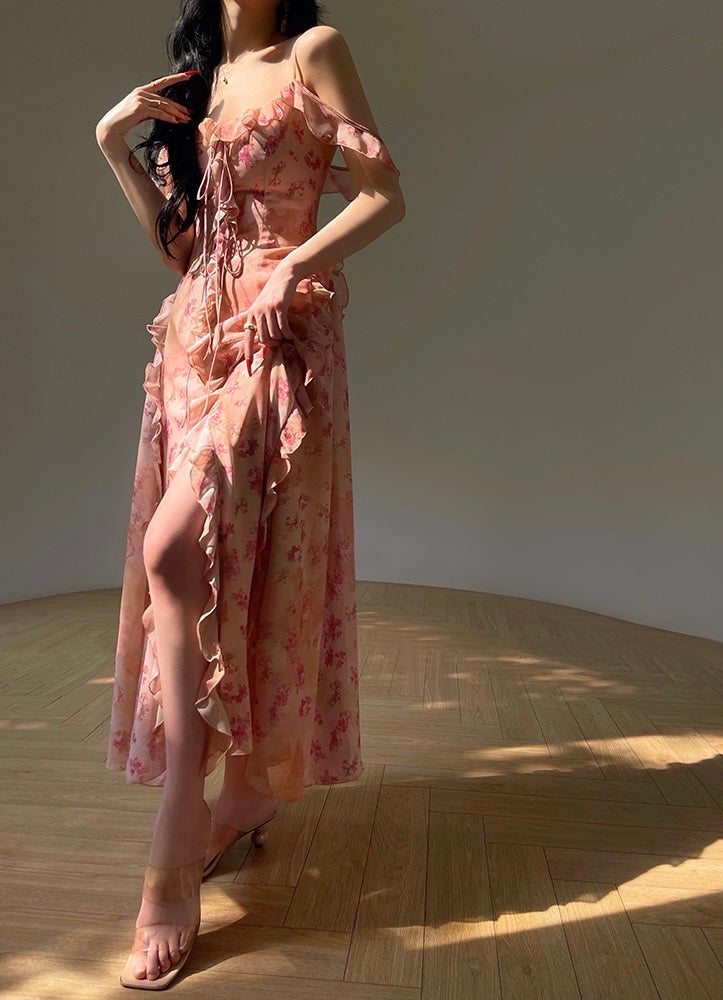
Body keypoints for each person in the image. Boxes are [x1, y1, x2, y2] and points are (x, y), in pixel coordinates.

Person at [94, 0, 404, 988]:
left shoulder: (313, 51)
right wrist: (115, 148)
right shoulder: (204, 85)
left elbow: (385, 195)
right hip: (197, 339)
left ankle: (178, 825)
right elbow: (186, 248)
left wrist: (295, 266)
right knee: (216, 566)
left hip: (281, 335)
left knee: (180, 548)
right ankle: (239, 795)